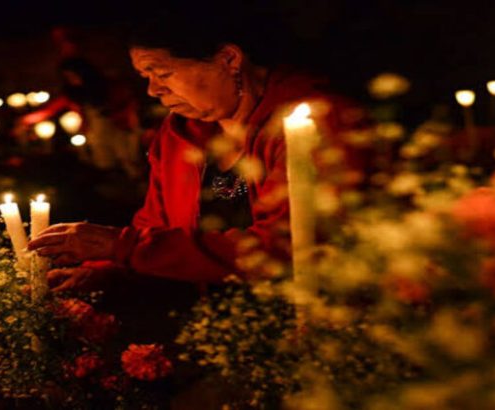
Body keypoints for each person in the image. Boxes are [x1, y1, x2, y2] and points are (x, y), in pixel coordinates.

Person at [28, 17, 369, 292]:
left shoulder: (318, 122)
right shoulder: (181, 134)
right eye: (145, 77)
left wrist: (122, 247)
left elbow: (287, 247)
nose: (153, 89)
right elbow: (155, 226)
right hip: (211, 326)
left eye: (162, 72)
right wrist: (108, 269)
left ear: (229, 59)